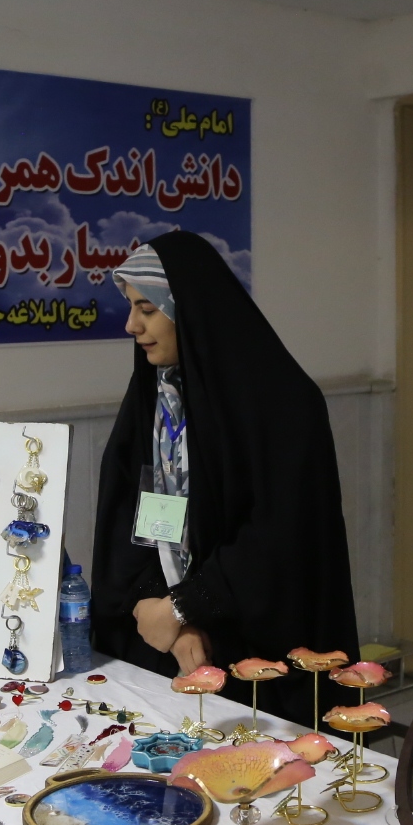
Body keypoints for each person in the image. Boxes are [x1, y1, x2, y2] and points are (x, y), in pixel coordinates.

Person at [90, 230, 359, 721]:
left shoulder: (284, 405)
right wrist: (163, 610)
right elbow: (134, 518)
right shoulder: (155, 402)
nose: (131, 325)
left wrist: (186, 608)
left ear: (189, 310)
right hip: (172, 648)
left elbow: (282, 537)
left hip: (259, 653)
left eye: (147, 309)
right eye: (130, 308)